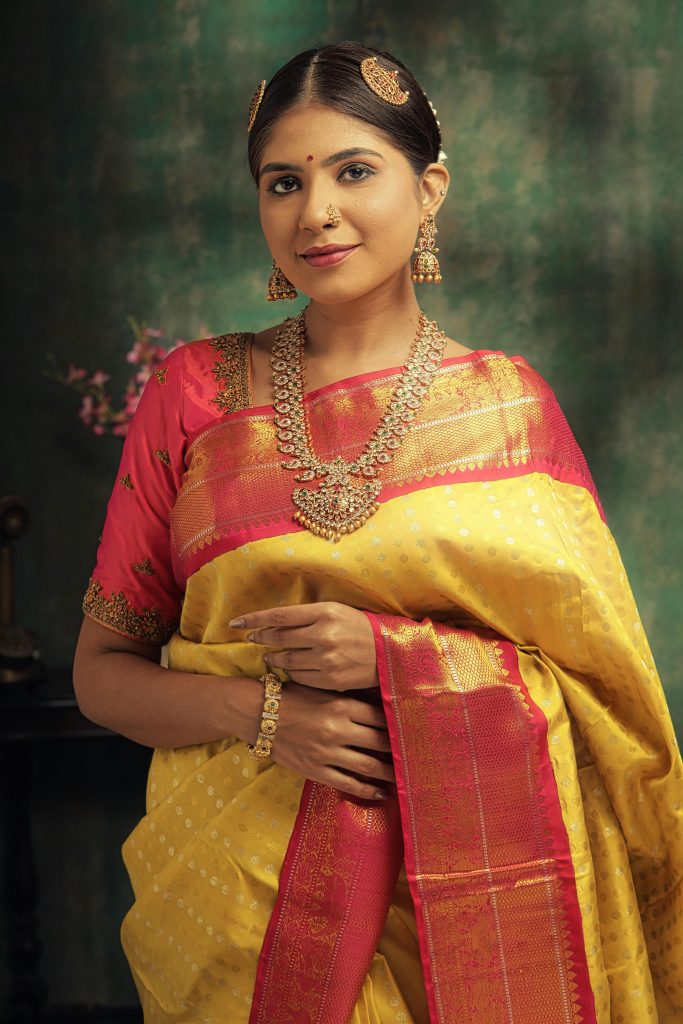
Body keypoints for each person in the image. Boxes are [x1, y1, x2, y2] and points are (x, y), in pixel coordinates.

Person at [73, 41, 683, 1024]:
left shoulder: (508, 407)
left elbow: (609, 710)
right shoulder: (191, 391)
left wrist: (393, 658)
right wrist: (266, 715)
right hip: (242, 898)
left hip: (481, 909)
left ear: (427, 187)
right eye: (283, 182)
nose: (314, 212)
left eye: (353, 170)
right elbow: (101, 670)